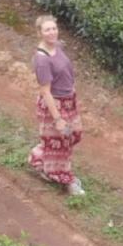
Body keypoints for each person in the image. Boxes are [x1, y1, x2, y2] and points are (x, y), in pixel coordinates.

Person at [27, 15, 84, 196]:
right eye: (47, 30)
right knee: (63, 140)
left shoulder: (57, 46)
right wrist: (57, 118)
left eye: (54, 28)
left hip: (69, 100)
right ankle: (65, 179)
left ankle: (39, 156)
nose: (52, 32)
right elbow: (45, 91)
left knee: (74, 134)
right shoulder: (41, 59)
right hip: (55, 104)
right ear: (39, 33)